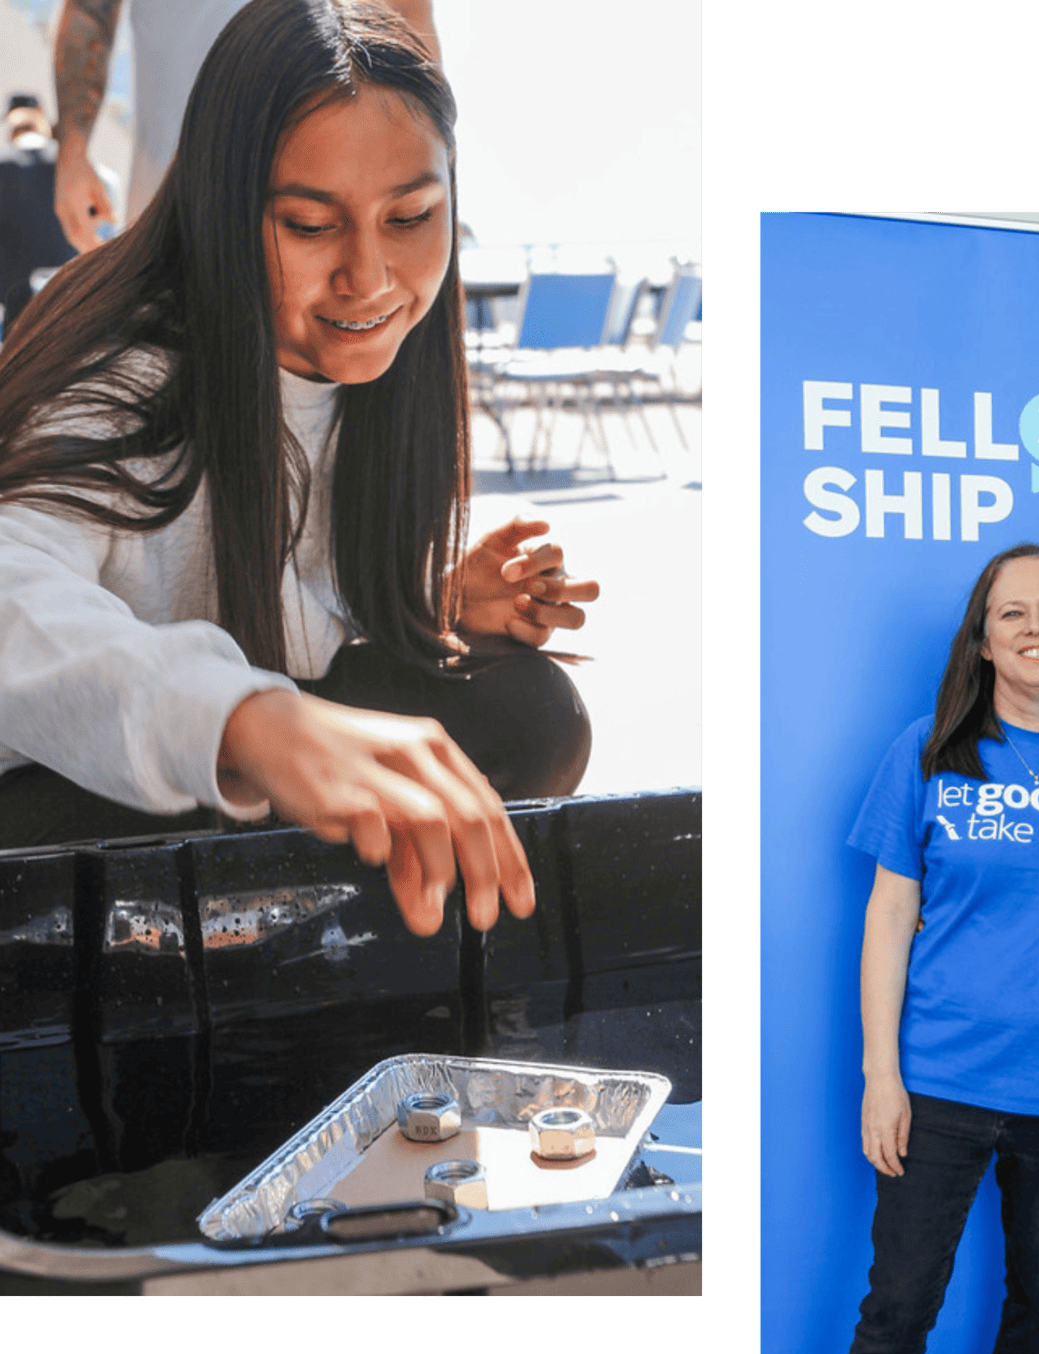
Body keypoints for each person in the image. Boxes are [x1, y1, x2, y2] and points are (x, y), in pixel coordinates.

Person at [0, 0, 597, 938]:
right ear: (222, 202)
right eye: (310, 226)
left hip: (216, 780)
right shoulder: (129, 372)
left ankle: (322, 951)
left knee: (528, 712)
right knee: (217, 792)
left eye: (411, 216)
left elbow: (276, 600)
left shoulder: (373, 373)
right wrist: (245, 721)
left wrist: (429, 606)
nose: (371, 278)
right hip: (47, 811)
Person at [829, 544, 1039, 1354]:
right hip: (940, 1084)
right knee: (897, 1313)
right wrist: (881, 1077)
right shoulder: (928, 749)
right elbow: (889, 915)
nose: (1035, 629)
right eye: (1013, 614)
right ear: (985, 640)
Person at [52, 0, 439, 251]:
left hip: (326, 206)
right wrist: (72, 150)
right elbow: (90, 9)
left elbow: (406, 13)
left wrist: (433, 165)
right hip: (175, 214)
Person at [0, 94, 78, 333]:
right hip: (74, 310)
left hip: (18, 321)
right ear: (43, 120)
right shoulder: (79, 168)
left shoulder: (3, 167)